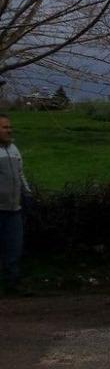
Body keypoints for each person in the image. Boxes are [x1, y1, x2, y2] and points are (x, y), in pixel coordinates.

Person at [0, 114, 31, 295]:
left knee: (14, 247)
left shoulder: (14, 149)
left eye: (10, 127)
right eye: (4, 127)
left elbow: (20, 174)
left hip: (14, 210)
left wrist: (27, 193)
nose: (9, 130)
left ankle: (13, 285)